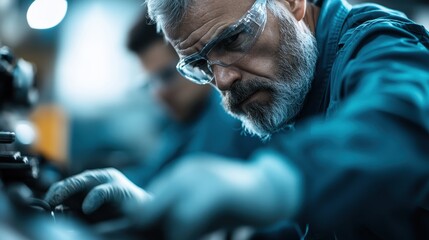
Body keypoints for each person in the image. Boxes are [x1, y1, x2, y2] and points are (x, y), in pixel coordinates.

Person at [45, 0, 429, 239]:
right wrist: (160, 210)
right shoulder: (293, 92)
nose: (223, 79)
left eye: (232, 40)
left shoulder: (376, 42)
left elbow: (401, 120)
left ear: (292, 3)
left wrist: (269, 182)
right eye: (199, 65)